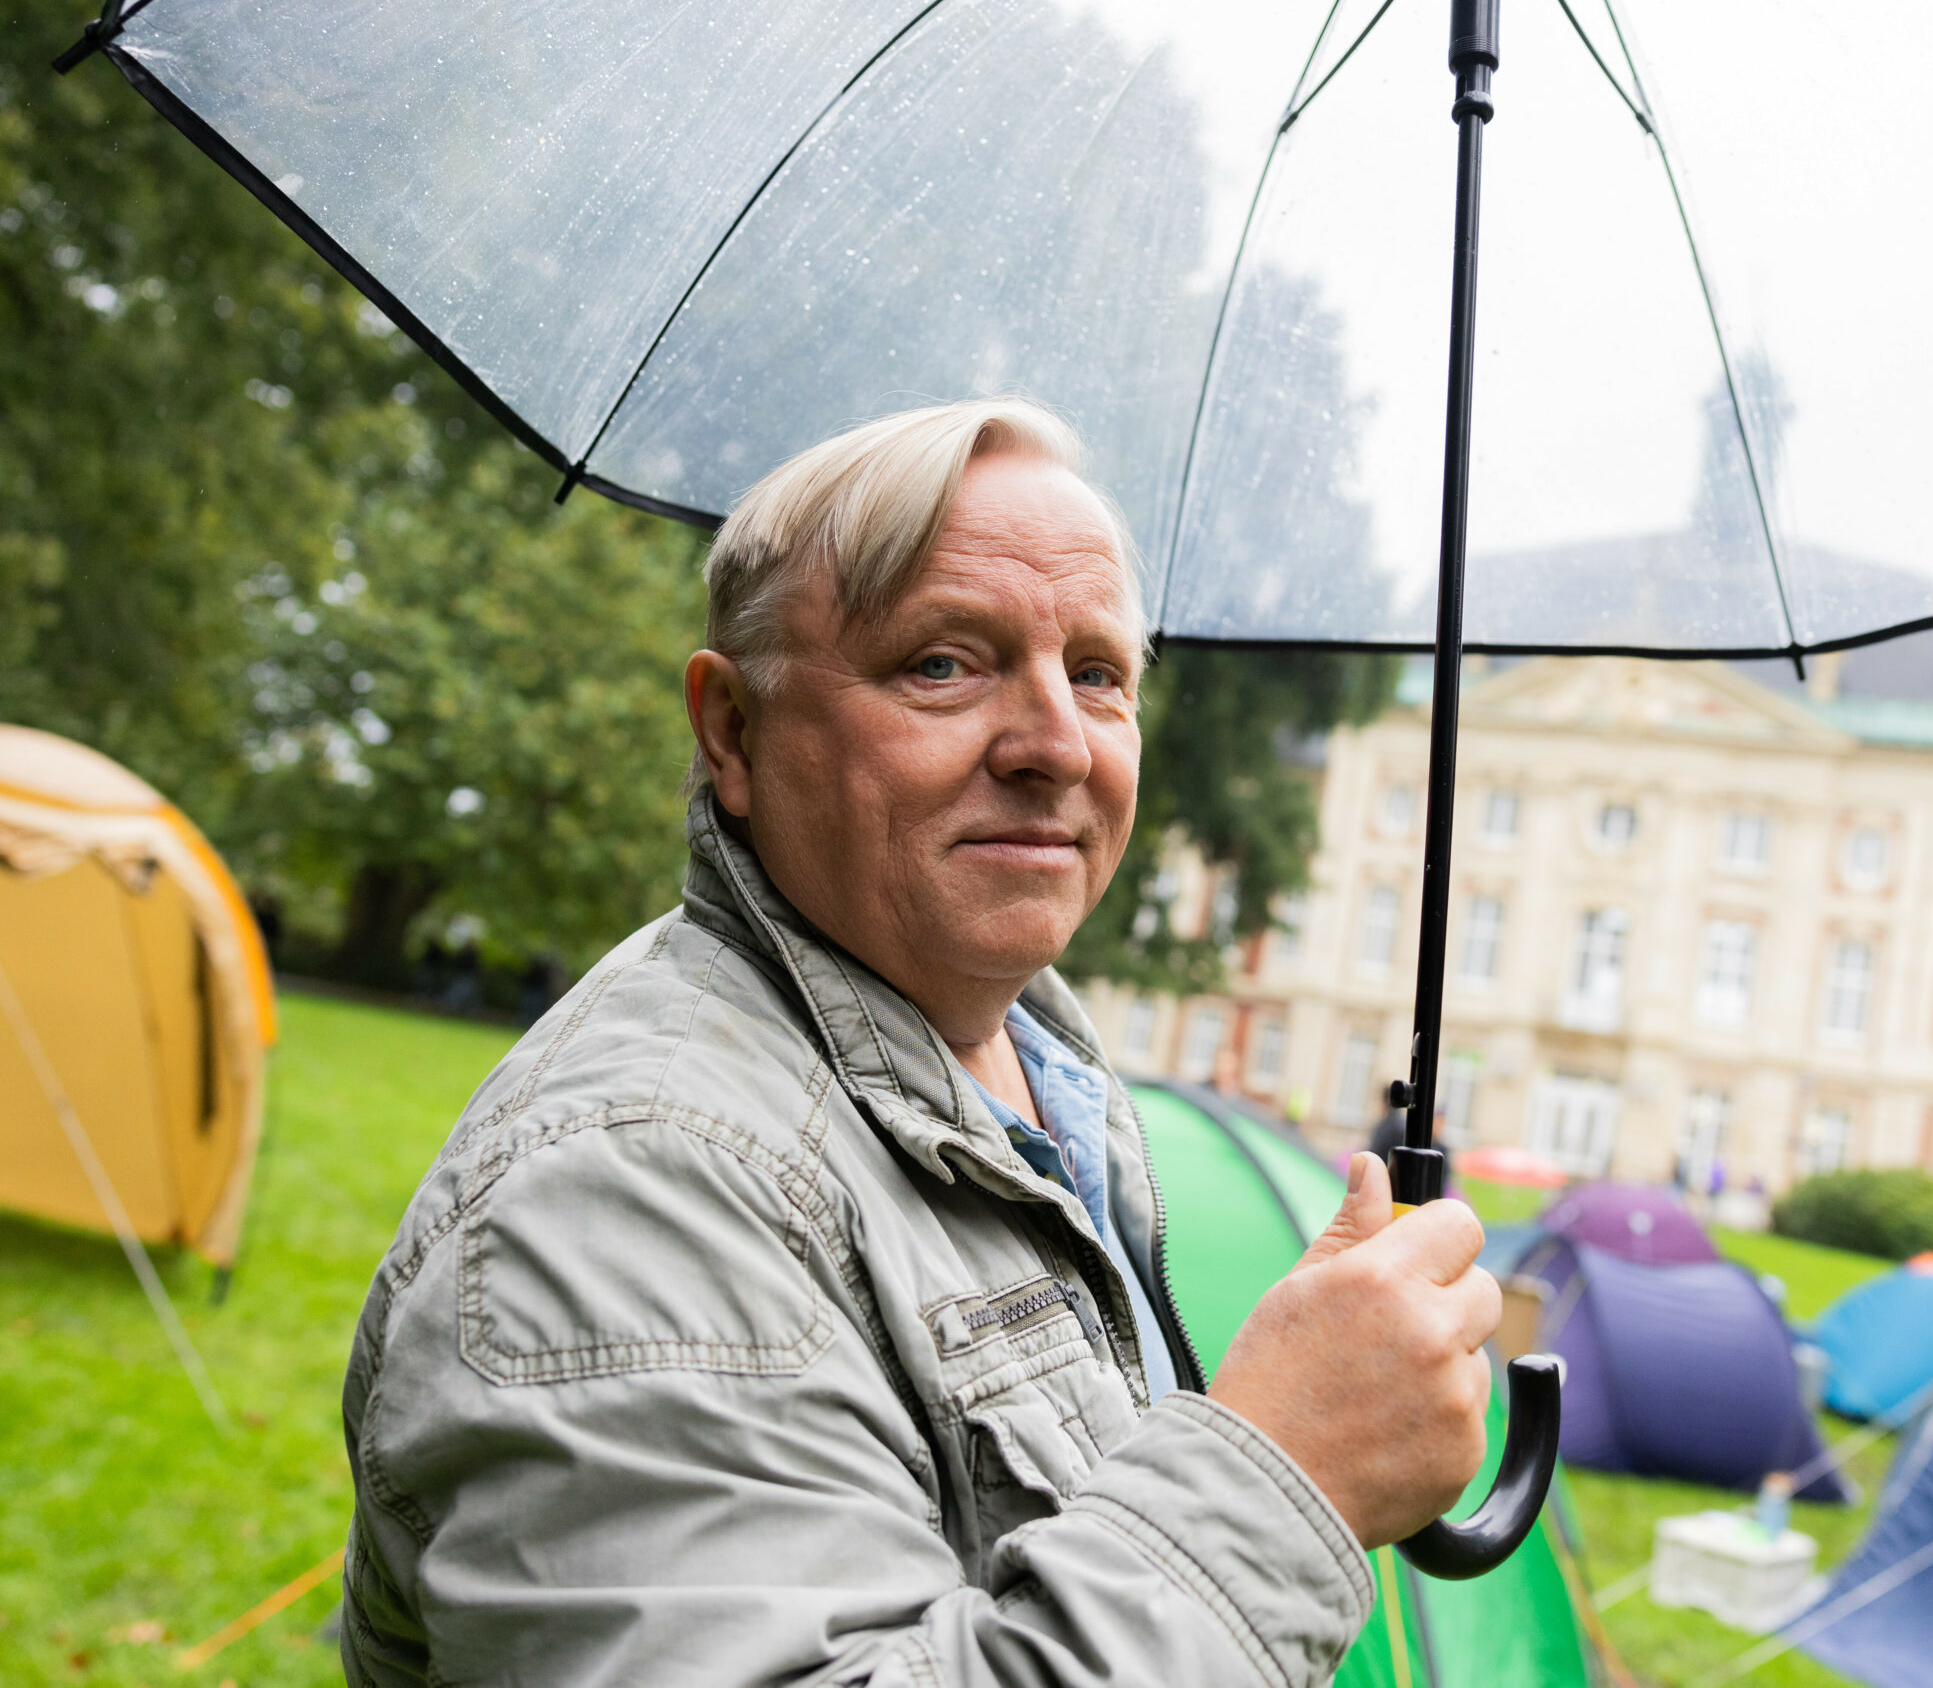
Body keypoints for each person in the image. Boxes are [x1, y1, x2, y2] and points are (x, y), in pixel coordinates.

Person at [337, 400, 1502, 1688]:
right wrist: (1284, 1475)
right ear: (732, 731)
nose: (1056, 744)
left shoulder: (1036, 1079)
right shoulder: (626, 1189)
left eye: (1098, 674)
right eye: (943, 664)